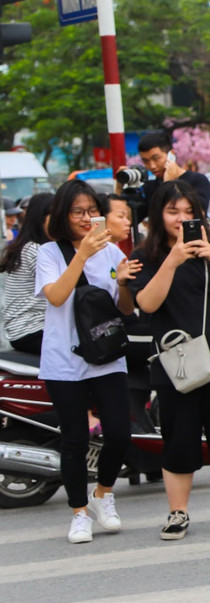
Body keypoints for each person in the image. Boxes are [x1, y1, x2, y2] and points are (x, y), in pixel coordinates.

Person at [127, 181, 210, 541]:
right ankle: (177, 513)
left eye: (189, 212)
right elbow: (148, 304)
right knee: (179, 439)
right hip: (175, 362)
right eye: (172, 212)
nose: (182, 219)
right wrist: (173, 260)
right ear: (158, 215)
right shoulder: (145, 258)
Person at [35, 180, 140, 544]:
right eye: (77, 212)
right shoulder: (49, 253)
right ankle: (79, 513)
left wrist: (124, 284)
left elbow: (124, 311)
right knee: (75, 440)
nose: (84, 218)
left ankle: (102, 495)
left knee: (119, 433)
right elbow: (57, 296)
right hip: (64, 360)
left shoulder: (112, 254)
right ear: (64, 215)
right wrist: (82, 254)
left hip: (106, 357)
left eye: (90, 211)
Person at [1, 192, 53, 353]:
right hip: (30, 329)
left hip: (31, 327)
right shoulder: (35, 250)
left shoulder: (32, 246)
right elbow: (60, 294)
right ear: (41, 218)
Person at [133, 131, 210, 209]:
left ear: (171, 155)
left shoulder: (198, 180)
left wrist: (169, 184)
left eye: (156, 158)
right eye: (146, 161)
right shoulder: (150, 187)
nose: (152, 166)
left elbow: (198, 211)